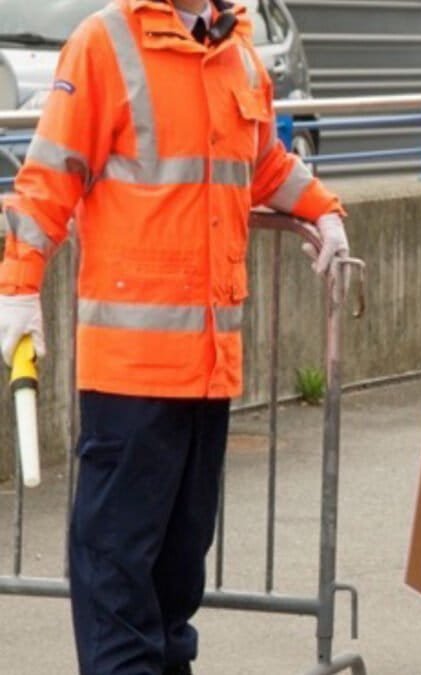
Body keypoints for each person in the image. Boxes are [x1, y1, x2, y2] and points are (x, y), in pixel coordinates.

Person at [0, 1, 348, 673]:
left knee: (176, 577)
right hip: (130, 378)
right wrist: (18, 285)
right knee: (116, 577)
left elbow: (264, 162)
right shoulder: (104, 45)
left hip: (209, 372)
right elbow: (48, 180)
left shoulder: (237, 52)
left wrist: (322, 209)